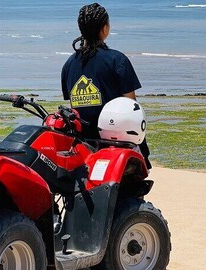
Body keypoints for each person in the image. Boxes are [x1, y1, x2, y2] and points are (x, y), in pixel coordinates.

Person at [61, 2, 151, 169]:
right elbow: (132, 107)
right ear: (105, 29)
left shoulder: (69, 65)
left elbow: (75, 106)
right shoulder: (117, 60)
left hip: (83, 144)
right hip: (116, 143)